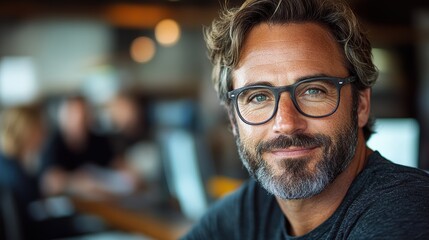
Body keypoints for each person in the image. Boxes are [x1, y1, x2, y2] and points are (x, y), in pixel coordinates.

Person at [184, 0, 429, 239]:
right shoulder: (255, 208)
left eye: (313, 91)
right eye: (258, 97)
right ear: (233, 120)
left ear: (361, 105)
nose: (287, 124)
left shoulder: (406, 210)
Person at [40, 95, 136, 199]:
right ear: (63, 118)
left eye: (84, 115)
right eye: (74, 116)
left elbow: (117, 163)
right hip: (70, 206)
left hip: (106, 201)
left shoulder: (98, 140)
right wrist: (77, 183)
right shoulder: (54, 144)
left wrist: (131, 174)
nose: (79, 121)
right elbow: (49, 183)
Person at [0, 104, 45, 239]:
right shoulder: (15, 174)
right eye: (39, 129)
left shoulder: (7, 162)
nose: (43, 135)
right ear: (26, 131)